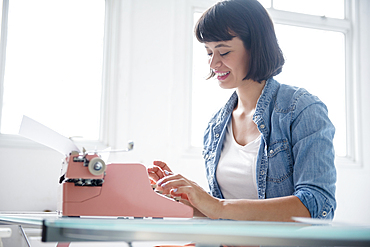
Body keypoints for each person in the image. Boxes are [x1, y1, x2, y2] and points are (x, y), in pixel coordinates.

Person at [148, 0, 336, 222]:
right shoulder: (216, 126)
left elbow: (317, 204)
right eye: (209, 52)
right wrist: (182, 195)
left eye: (224, 52)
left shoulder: (302, 109)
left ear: (256, 47)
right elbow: (221, 214)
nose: (213, 63)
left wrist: (218, 206)